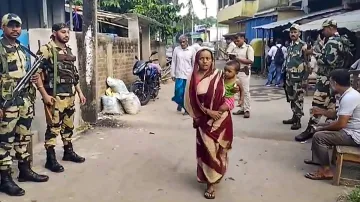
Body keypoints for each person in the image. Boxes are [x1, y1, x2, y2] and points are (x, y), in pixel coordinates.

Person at [0, 13, 49, 197]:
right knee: (5, 143)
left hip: (24, 102)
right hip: (7, 103)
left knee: (23, 138)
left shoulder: (22, 49)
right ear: (3, 27)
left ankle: (24, 171)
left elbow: (26, 74)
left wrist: (35, 79)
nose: (15, 29)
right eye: (11, 26)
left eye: (18, 26)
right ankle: (5, 180)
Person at [35, 23, 86, 173]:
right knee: (53, 128)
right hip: (55, 97)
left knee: (68, 126)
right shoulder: (47, 49)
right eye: (63, 32)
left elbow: (73, 75)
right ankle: (50, 160)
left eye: (68, 32)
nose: (66, 35)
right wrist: (44, 95)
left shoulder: (68, 50)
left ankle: (68, 152)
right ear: (54, 33)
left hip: (69, 95)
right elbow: (36, 73)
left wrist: (80, 93)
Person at [184, 48, 234, 199]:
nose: (205, 61)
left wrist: (222, 108)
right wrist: (206, 112)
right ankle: (210, 183)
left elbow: (231, 95)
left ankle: (216, 174)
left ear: (212, 60)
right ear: (197, 60)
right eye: (202, 58)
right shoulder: (192, 79)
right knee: (207, 152)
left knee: (219, 151)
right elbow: (190, 102)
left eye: (208, 58)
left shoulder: (220, 75)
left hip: (222, 120)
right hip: (203, 121)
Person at [295, 19, 346, 142]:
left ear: (331, 28)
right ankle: (327, 132)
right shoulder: (342, 40)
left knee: (317, 104)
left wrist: (314, 54)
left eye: (324, 29)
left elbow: (328, 61)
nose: (323, 32)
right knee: (332, 106)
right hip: (335, 80)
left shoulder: (332, 42)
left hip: (326, 80)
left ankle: (311, 129)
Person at [304, 69, 360, 180]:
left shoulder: (349, 97)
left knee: (319, 136)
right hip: (349, 130)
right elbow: (337, 114)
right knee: (319, 127)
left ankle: (326, 171)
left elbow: (341, 124)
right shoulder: (347, 94)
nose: (329, 85)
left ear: (335, 83)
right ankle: (318, 160)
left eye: (330, 82)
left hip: (354, 135)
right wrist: (321, 111)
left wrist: (321, 128)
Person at [282, 24, 308, 130]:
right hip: (289, 77)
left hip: (298, 78)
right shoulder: (290, 46)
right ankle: (294, 116)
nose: (293, 34)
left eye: (295, 32)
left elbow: (308, 63)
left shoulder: (303, 46)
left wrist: (305, 78)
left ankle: (298, 120)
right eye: (291, 32)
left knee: (298, 99)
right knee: (291, 98)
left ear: (299, 33)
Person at [231, 33, 254, 118]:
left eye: (238, 40)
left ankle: (247, 109)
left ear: (243, 39)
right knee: (238, 91)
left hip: (244, 72)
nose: (236, 42)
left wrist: (238, 59)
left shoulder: (248, 48)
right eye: (235, 41)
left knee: (245, 91)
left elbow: (251, 61)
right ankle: (242, 108)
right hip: (236, 72)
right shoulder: (235, 48)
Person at [171, 35, 195, 114]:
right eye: (180, 42)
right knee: (178, 92)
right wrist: (172, 73)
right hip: (179, 74)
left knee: (186, 93)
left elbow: (194, 63)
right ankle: (180, 104)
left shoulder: (191, 50)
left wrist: (194, 74)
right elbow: (174, 62)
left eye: (183, 42)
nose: (182, 44)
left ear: (187, 41)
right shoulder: (176, 50)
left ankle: (186, 109)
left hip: (188, 75)